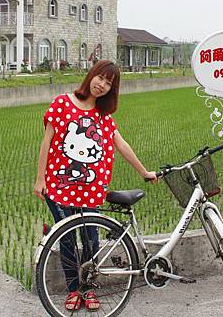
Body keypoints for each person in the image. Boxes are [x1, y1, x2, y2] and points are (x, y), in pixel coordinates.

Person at [34, 60, 157, 312]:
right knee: (66, 239)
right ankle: (73, 290)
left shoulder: (104, 116)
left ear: (112, 89)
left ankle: (88, 289)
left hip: (91, 190)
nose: (102, 85)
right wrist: (40, 179)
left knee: (91, 241)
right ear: (91, 76)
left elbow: (122, 146)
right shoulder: (62, 104)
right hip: (59, 186)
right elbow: (46, 143)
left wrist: (144, 171)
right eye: (100, 78)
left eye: (109, 83)